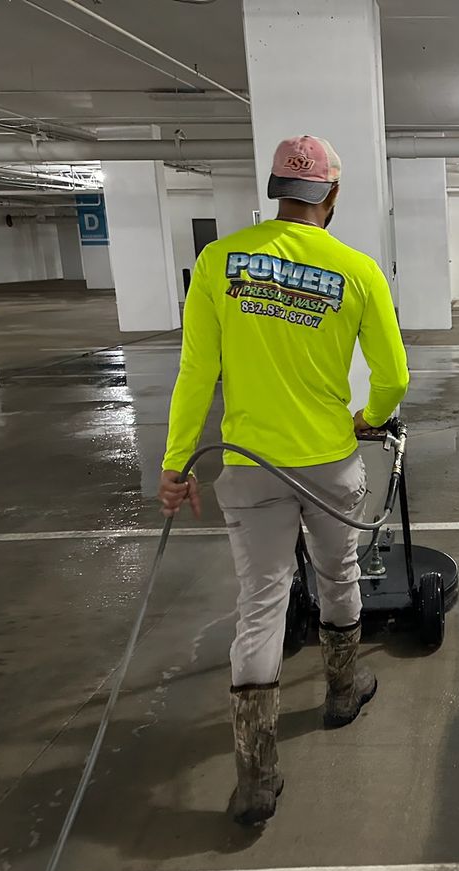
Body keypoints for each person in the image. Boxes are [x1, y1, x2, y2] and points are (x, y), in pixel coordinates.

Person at [157, 135, 410, 827]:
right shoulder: (356, 269)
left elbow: (194, 374)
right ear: (329, 194)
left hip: (247, 465)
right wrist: (370, 416)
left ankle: (257, 775)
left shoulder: (217, 261)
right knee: (338, 575)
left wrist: (176, 462)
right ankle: (341, 690)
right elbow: (394, 379)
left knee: (261, 603)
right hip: (330, 460)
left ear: (276, 191)